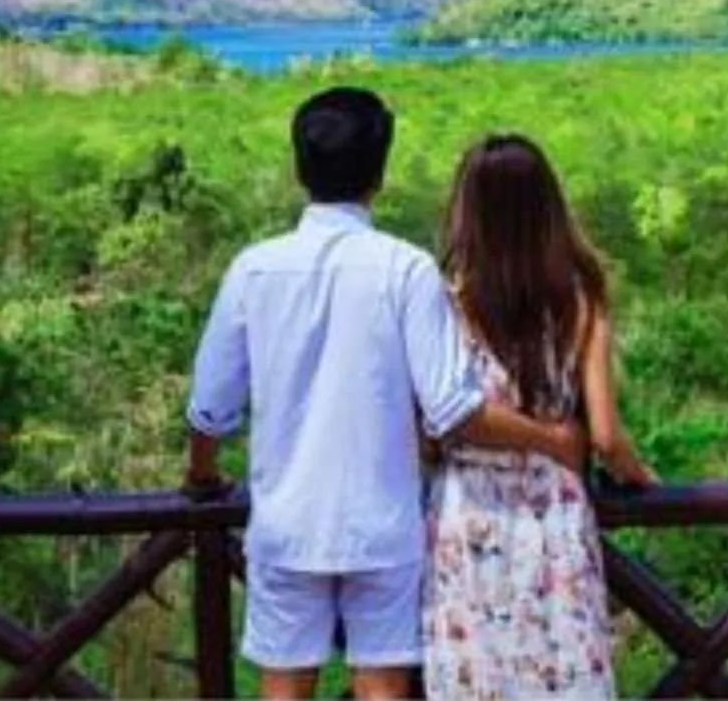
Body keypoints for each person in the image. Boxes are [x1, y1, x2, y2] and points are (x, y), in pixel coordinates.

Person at [183, 88, 586, 701]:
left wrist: (203, 476)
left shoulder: (254, 269)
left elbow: (211, 407)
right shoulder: (406, 269)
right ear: (379, 173)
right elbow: (453, 408)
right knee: (383, 687)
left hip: (286, 521)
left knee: (284, 686)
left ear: (300, 168)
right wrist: (553, 439)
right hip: (383, 523)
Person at [423, 133, 660, 700]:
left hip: (466, 517)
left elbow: (430, 423)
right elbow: (604, 434)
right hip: (553, 516)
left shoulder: (444, 300)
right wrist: (644, 477)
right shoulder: (580, 298)